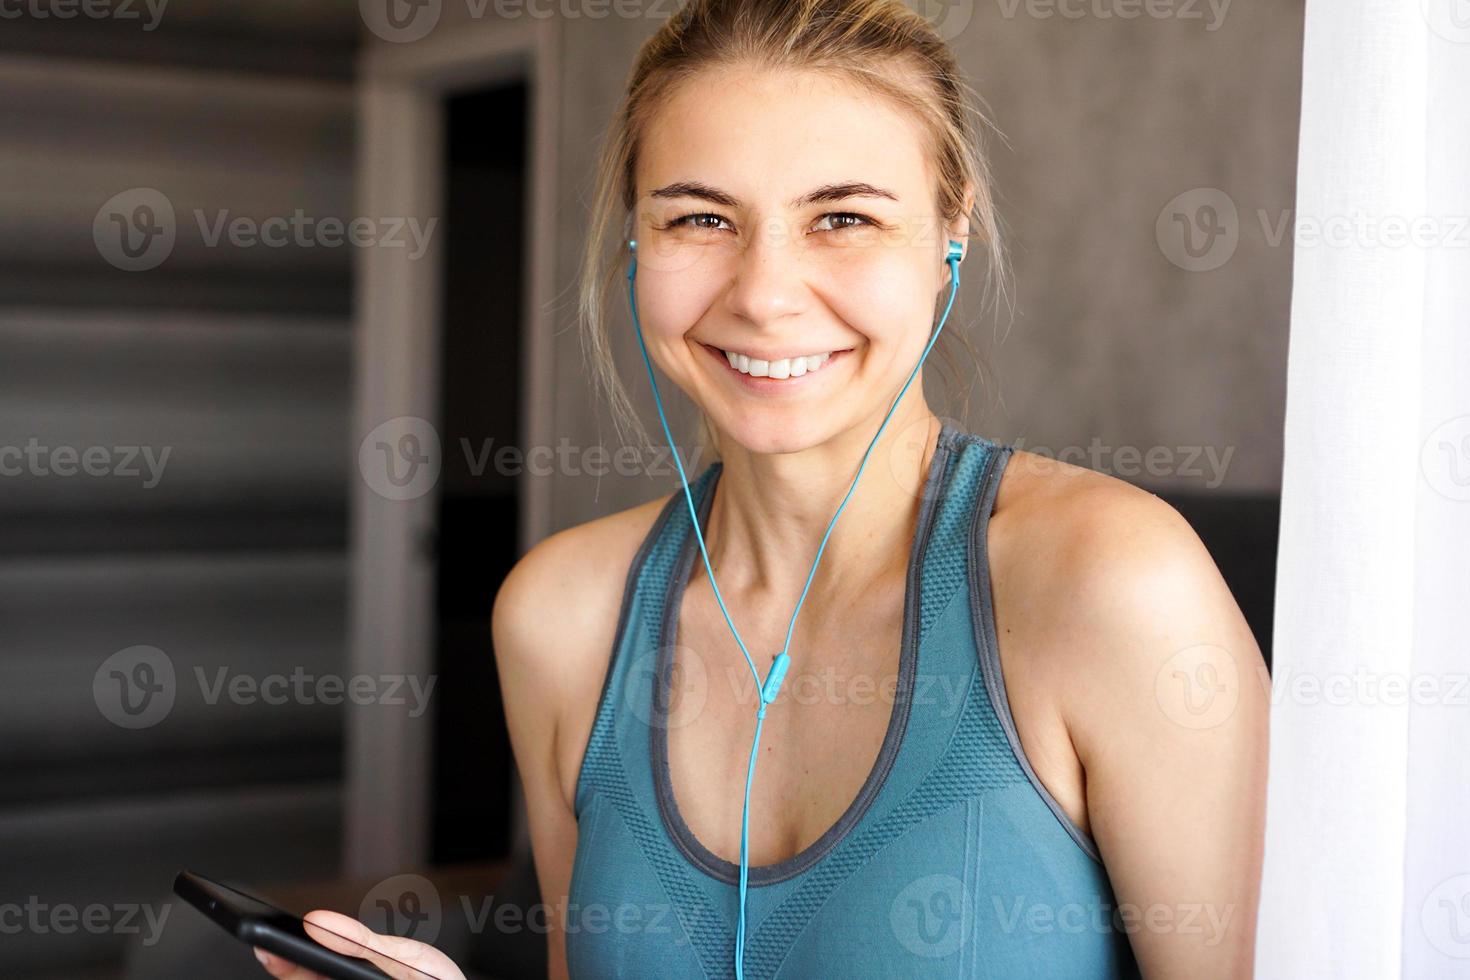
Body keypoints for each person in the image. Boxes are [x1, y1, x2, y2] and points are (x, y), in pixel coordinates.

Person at [256, 1, 1268, 978]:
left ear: (950, 227)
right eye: (701, 216)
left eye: (842, 216)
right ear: (636, 242)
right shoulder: (560, 615)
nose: (764, 293)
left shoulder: (1113, 585)